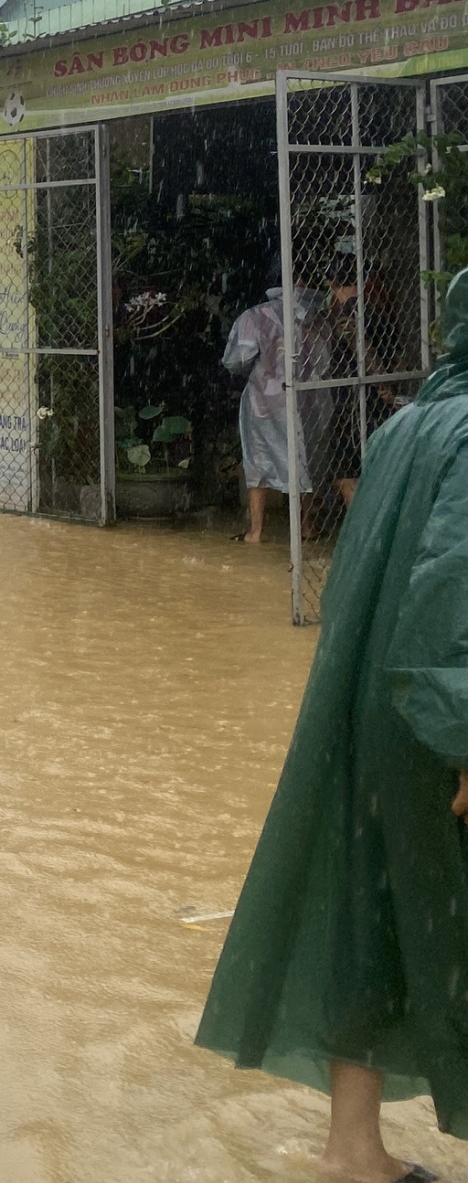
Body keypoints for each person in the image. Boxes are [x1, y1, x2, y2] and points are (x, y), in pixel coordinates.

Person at [196, 270, 468, 1182]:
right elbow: (452, 595)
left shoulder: (402, 430)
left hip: (376, 716)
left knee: (377, 916)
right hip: (448, 723)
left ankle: (355, 1154)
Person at [225, 263, 333, 543]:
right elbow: (327, 360)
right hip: (311, 396)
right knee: (306, 458)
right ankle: (306, 526)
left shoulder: (256, 315)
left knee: (259, 461)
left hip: (265, 397)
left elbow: (237, 359)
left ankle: (256, 531)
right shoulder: (319, 317)